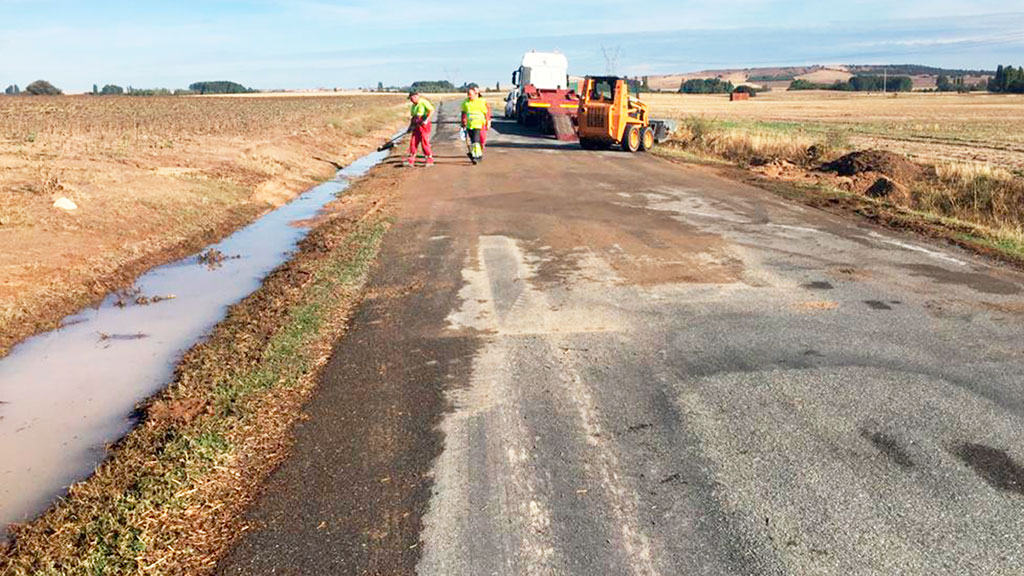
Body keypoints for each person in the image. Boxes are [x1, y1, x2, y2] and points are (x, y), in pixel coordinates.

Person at [460, 85, 491, 164]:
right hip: (470, 125)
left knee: (476, 141)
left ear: (476, 94)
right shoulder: (466, 102)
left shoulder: (481, 102)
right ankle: (475, 155)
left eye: (470, 94)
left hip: (479, 124)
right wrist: (463, 122)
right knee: (473, 141)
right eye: (468, 94)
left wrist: (488, 122)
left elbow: (486, 113)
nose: (469, 95)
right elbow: (463, 112)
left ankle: (478, 156)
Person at [407, 91, 435, 167]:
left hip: (424, 125)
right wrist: (410, 127)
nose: (411, 100)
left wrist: (426, 120)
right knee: (413, 142)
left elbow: (431, 110)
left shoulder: (423, 102)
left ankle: (429, 159)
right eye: (410, 99)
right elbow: (413, 117)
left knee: (424, 142)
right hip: (416, 125)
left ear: (416, 96)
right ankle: (411, 160)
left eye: (411, 98)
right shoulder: (413, 106)